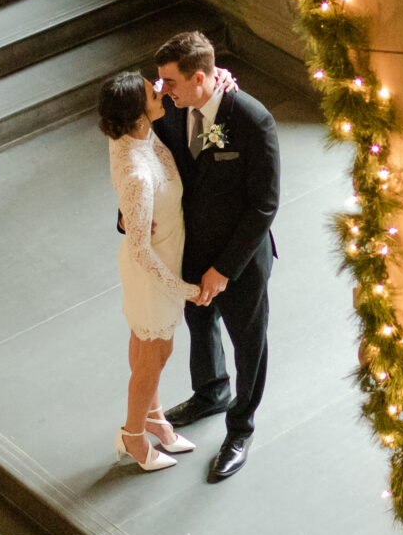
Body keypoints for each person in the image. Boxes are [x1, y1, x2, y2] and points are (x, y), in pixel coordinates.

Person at [151, 30, 280, 482]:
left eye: (169, 81)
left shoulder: (250, 119)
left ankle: (240, 428)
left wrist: (223, 270)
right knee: (199, 321)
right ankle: (210, 392)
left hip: (238, 259)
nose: (161, 88)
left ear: (202, 79)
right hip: (188, 248)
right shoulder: (167, 108)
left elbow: (264, 205)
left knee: (249, 341)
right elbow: (156, 166)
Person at [98, 71, 204, 472]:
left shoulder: (135, 135)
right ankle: (133, 436)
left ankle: (155, 417)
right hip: (153, 272)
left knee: (153, 347)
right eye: (151, 91)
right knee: (153, 354)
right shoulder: (138, 174)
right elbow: (140, 250)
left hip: (165, 258)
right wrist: (183, 289)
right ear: (137, 115)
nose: (159, 90)